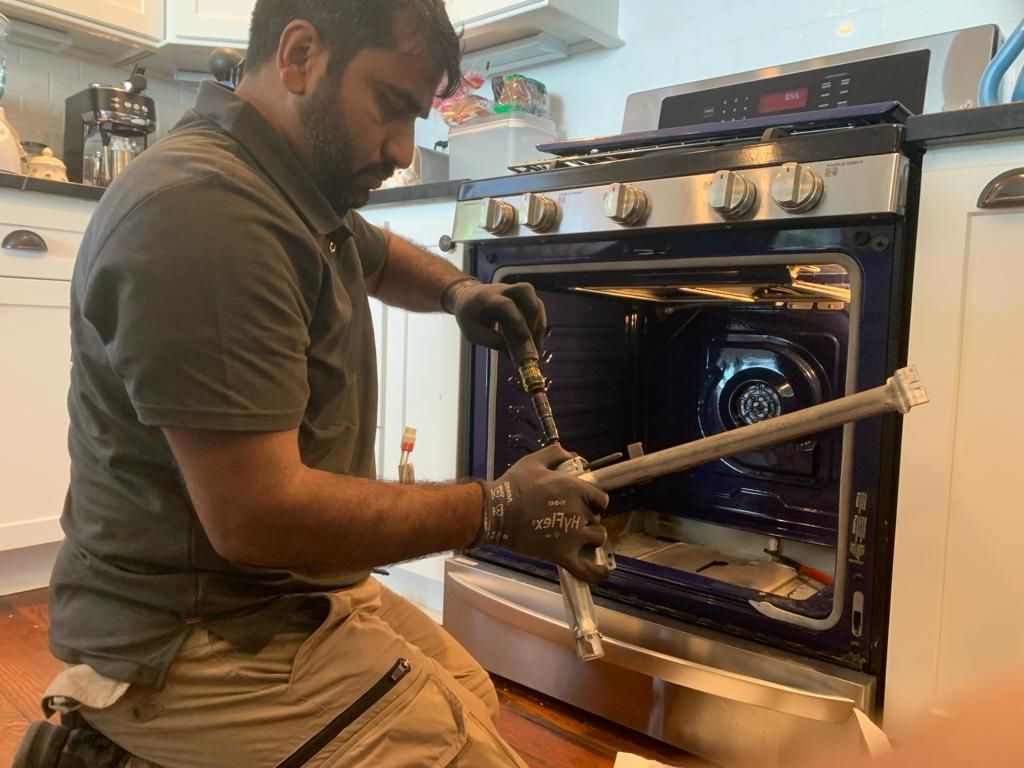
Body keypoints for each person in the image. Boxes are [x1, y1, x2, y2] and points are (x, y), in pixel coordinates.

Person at [19, 1, 610, 766]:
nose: (403, 149)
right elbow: (257, 518)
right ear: (299, 56)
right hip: (190, 629)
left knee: (471, 695)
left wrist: (458, 293)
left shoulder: (286, 178)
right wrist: (495, 509)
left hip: (280, 587)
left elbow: (374, 252)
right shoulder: (207, 215)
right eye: (391, 107)